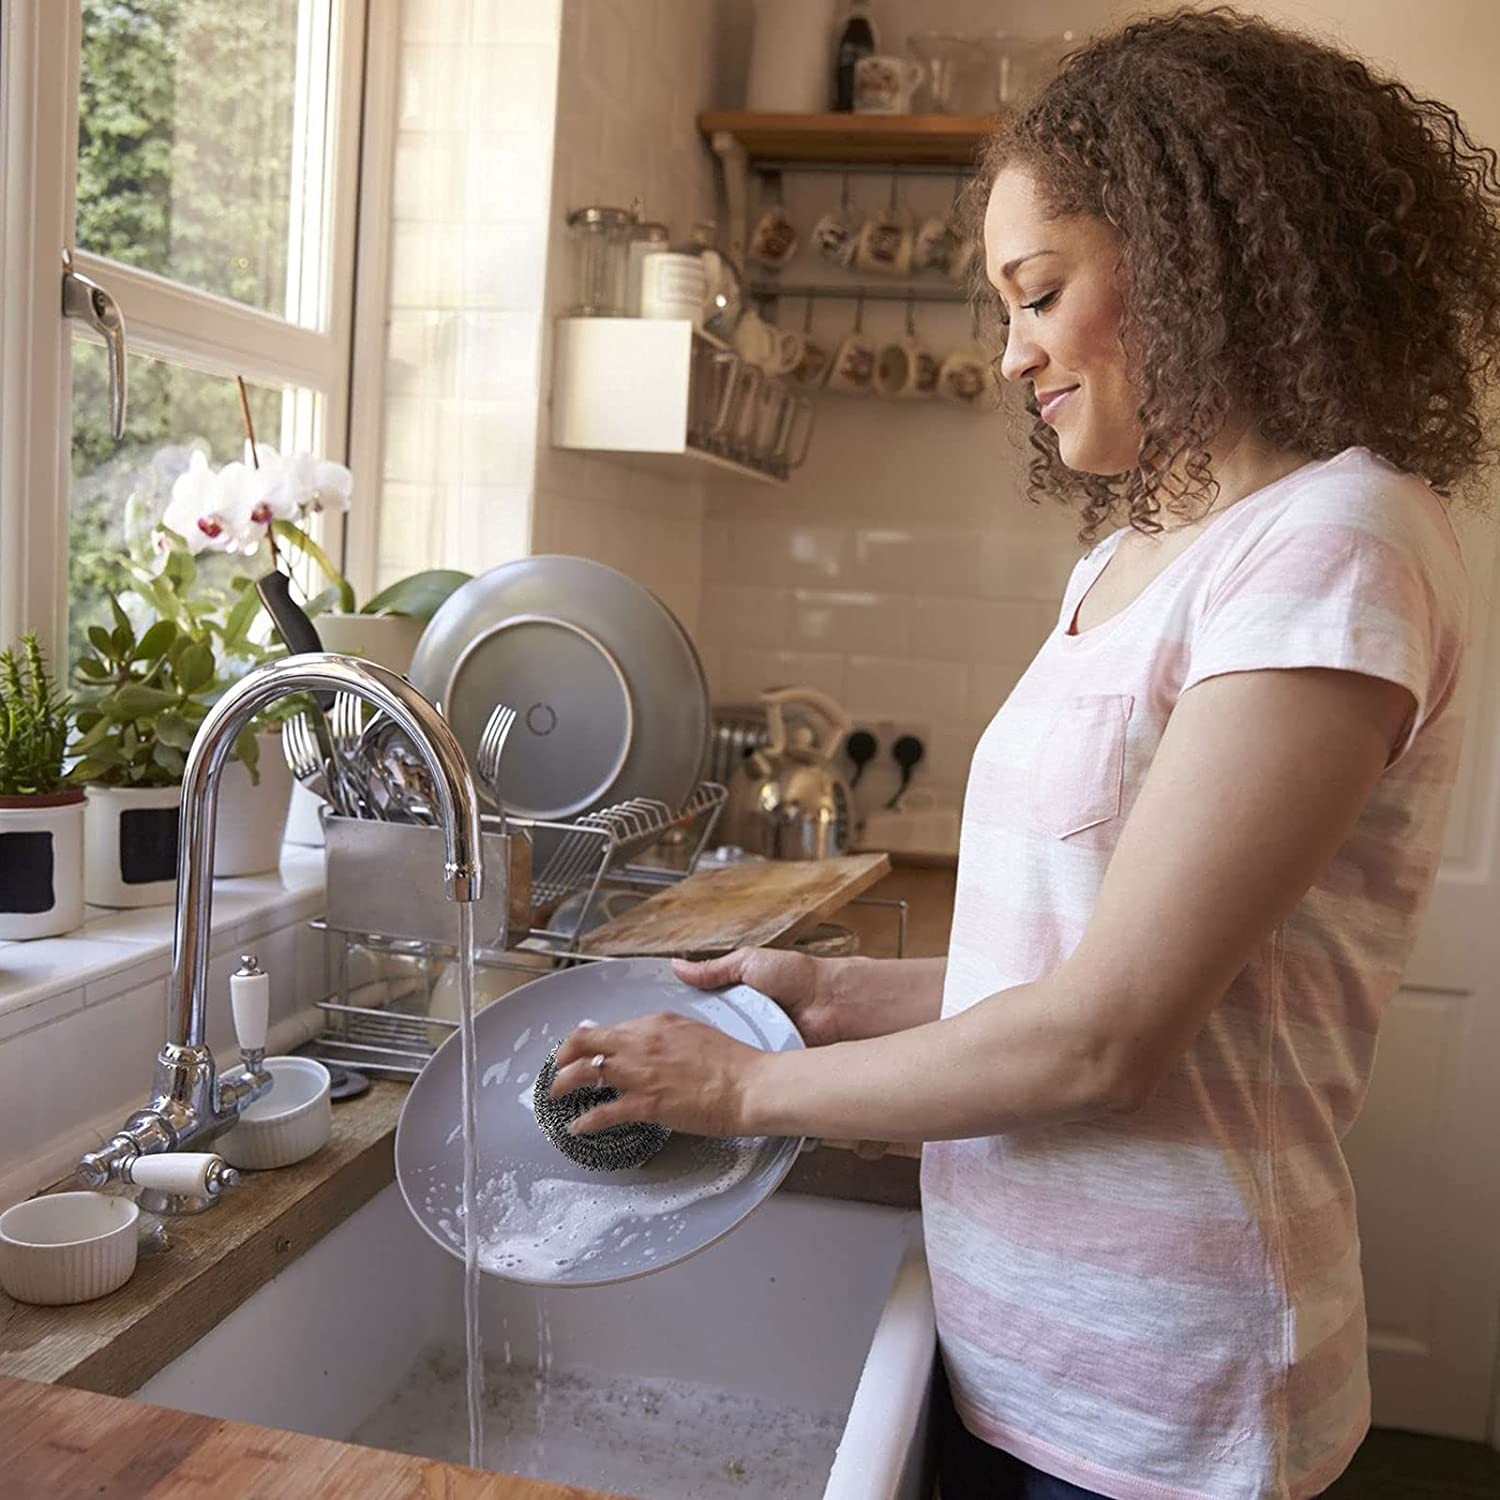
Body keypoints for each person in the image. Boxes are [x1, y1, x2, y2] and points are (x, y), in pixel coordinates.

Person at [546, 8, 1500, 1496]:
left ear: (1196, 264)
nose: (1010, 358)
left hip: (1167, 1409)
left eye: (1037, 293)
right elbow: (1069, 960)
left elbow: (1107, 1038)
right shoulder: (1129, 560)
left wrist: (738, 1092)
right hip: (1011, 1355)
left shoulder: (1337, 541)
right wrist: (834, 991)